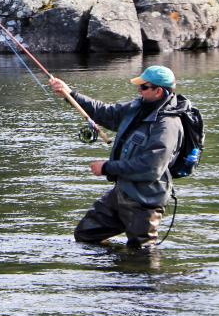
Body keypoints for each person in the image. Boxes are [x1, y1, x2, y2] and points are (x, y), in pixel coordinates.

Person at [49, 65, 189, 249]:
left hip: (145, 202)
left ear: (159, 91)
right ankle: (118, 271)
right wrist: (70, 94)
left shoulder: (167, 126)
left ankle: (138, 272)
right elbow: (104, 112)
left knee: (142, 255)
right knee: (86, 234)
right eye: (139, 86)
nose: (139, 90)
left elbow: (150, 167)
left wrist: (107, 168)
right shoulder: (137, 107)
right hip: (122, 192)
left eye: (144, 87)